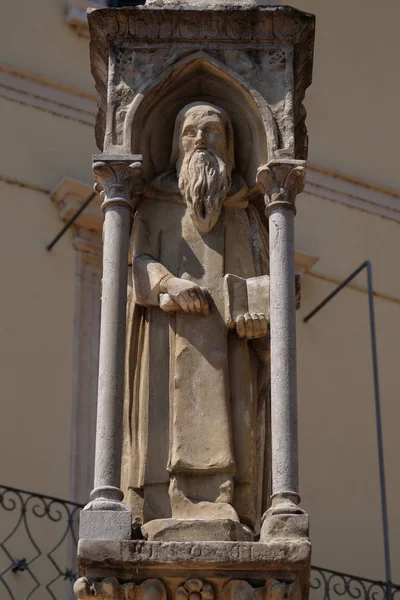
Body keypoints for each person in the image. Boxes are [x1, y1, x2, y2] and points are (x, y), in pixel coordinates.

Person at [122, 102, 270, 537]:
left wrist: (264, 306)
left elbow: (265, 277)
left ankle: (226, 501)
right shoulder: (154, 203)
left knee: (231, 417)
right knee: (163, 422)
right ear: (176, 144)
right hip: (167, 339)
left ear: (229, 144)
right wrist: (168, 284)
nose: (201, 140)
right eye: (191, 132)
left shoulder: (244, 209)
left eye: (212, 132)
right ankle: (159, 504)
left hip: (229, 345)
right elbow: (137, 262)